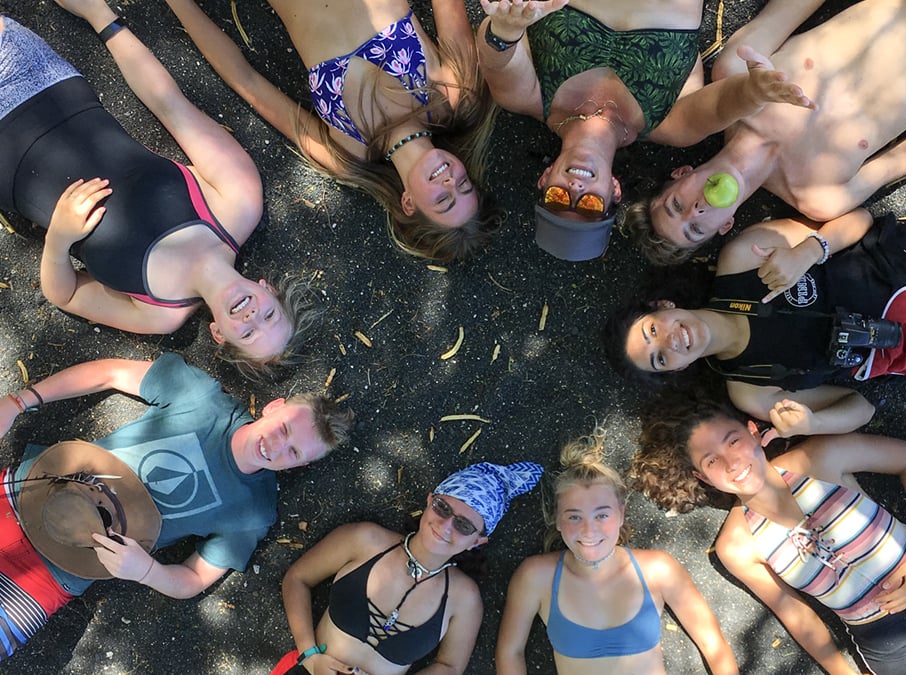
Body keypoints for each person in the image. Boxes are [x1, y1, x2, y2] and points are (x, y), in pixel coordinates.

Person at [0, 5, 316, 379]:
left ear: (219, 334)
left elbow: (64, 295)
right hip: (40, 83)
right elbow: (168, 103)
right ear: (270, 291)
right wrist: (101, 17)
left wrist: (59, 238)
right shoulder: (239, 201)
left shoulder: (159, 314)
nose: (251, 317)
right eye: (269, 315)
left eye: (247, 334)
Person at [0, 352, 354, 660]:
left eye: (294, 452)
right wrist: (18, 402)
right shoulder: (201, 396)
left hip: (54, 575)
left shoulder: (254, 512)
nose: (276, 447)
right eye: (284, 429)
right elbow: (110, 372)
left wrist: (145, 571)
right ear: (274, 407)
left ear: (299, 465)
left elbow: (194, 579)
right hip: (27, 493)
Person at [630, 391, 906, 675]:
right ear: (702, 477)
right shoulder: (736, 547)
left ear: (753, 431)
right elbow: (795, 614)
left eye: (733, 440)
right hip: (889, 641)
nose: (731, 462)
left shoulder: (819, 459)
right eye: (711, 460)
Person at [626, 0, 906, 265]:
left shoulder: (734, 74)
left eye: (677, 206)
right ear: (725, 226)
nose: (696, 209)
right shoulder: (821, 198)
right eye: (695, 229)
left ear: (682, 174)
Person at [605, 206, 906, 439]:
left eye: (652, 330)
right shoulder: (749, 390)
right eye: (659, 358)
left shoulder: (741, 259)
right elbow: (861, 407)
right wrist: (812, 424)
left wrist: (810, 250)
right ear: (676, 370)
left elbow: (859, 218)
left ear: (664, 305)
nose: (669, 342)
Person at [476, 0, 815, 261]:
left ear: (545, 179)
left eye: (558, 199)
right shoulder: (672, 127)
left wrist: (505, 28)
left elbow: (498, 55)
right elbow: (721, 105)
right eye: (590, 204)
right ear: (614, 191)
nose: (576, 189)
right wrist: (756, 91)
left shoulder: (526, 97)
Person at [164, 0, 500, 262]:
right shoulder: (454, 94)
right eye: (464, 185)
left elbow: (246, 81)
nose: (449, 181)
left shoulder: (347, 153)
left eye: (443, 200)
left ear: (408, 203)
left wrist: (179, 4)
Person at [495, 430, 738, 674]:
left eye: (602, 515)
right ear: (558, 520)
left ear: (621, 514)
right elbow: (510, 652)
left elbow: (714, 645)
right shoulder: (536, 576)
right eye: (574, 517)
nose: (589, 530)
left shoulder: (658, 570)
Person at [271, 461, 542, 675]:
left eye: (463, 525)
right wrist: (309, 655)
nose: (446, 525)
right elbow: (298, 578)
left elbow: (450, 666)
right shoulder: (364, 540)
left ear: (478, 541)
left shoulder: (464, 599)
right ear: (429, 500)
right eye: (443, 508)